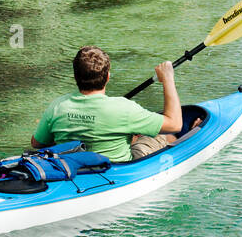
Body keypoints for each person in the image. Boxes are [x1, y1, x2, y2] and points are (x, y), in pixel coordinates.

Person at [31, 46, 183, 163]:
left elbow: (37, 143)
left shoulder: (58, 105)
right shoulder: (124, 108)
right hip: (115, 171)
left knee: (135, 134)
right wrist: (168, 78)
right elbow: (175, 124)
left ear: (75, 76)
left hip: (71, 167)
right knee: (166, 135)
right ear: (108, 77)